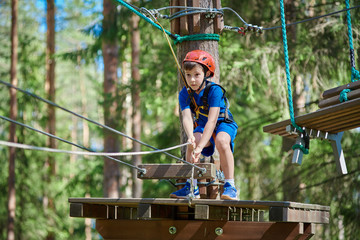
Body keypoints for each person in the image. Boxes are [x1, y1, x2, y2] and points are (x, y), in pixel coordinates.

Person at [170, 50, 238, 200]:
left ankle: (230, 186)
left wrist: (201, 147)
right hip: (202, 125)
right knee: (192, 143)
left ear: (206, 73)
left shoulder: (215, 91)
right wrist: (191, 137)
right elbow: (187, 118)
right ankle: (191, 186)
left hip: (223, 124)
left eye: (196, 75)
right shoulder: (184, 94)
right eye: (188, 75)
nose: (192, 80)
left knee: (221, 141)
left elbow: (212, 121)